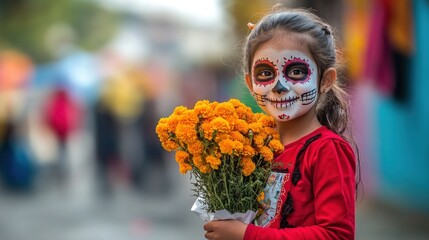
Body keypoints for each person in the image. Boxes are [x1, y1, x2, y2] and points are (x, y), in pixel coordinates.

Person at [203, 6, 360, 240]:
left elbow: (337, 235)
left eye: (296, 71)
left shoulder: (327, 150)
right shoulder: (254, 148)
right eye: (265, 73)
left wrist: (247, 235)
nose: (279, 86)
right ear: (250, 83)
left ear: (325, 80)